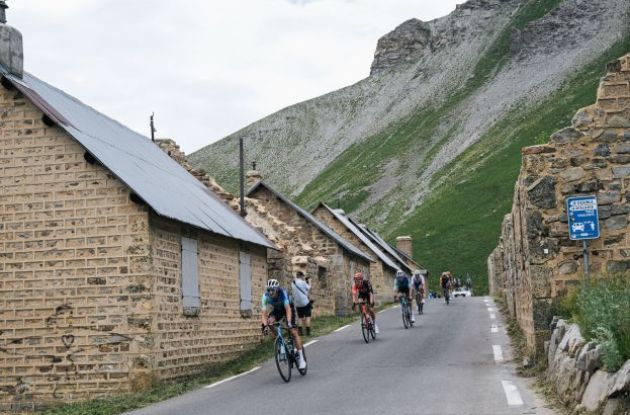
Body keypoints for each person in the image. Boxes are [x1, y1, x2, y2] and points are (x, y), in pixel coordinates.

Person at [261, 279, 306, 370]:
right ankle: (280, 339)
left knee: (293, 332)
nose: (270, 292)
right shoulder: (265, 296)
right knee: (269, 322)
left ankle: (301, 358)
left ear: (277, 289)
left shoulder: (283, 293)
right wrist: (265, 325)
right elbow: (263, 313)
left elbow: (288, 310)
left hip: (289, 308)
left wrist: (289, 323)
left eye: (272, 290)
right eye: (268, 290)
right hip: (278, 310)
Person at [291, 271, 312, 336]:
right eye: (303, 276)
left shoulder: (293, 283)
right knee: (308, 316)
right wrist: (309, 282)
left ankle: (300, 332)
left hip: (297, 303)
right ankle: (308, 332)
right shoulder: (303, 282)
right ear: (301, 276)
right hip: (305, 302)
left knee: (300, 317)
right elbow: (308, 288)